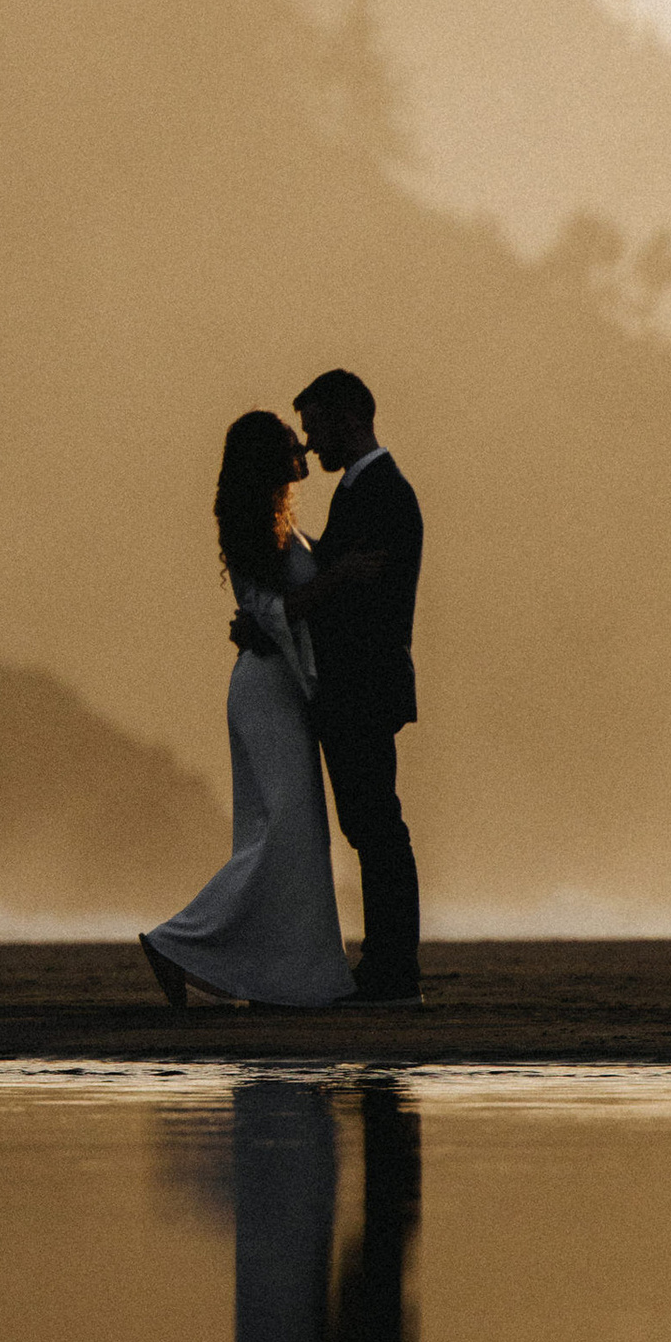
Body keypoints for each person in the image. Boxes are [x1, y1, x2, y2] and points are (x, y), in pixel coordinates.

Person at [139, 411, 358, 1011]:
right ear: (268, 458)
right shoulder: (255, 529)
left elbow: (274, 613)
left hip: (278, 687)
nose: (303, 448)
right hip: (268, 690)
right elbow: (271, 611)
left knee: (293, 832)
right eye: (291, 444)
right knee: (283, 827)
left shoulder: (285, 527)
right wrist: (337, 583)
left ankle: (295, 974)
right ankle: (177, 941)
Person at [277, 368, 424, 1005]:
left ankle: (392, 968)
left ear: (347, 418)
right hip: (361, 686)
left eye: (315, 428)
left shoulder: (382, 493)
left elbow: (358, 595)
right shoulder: (368, 491)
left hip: (362, 685)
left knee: (376, 826)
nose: (311, 445)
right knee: (371, 824)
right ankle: (387, 964)